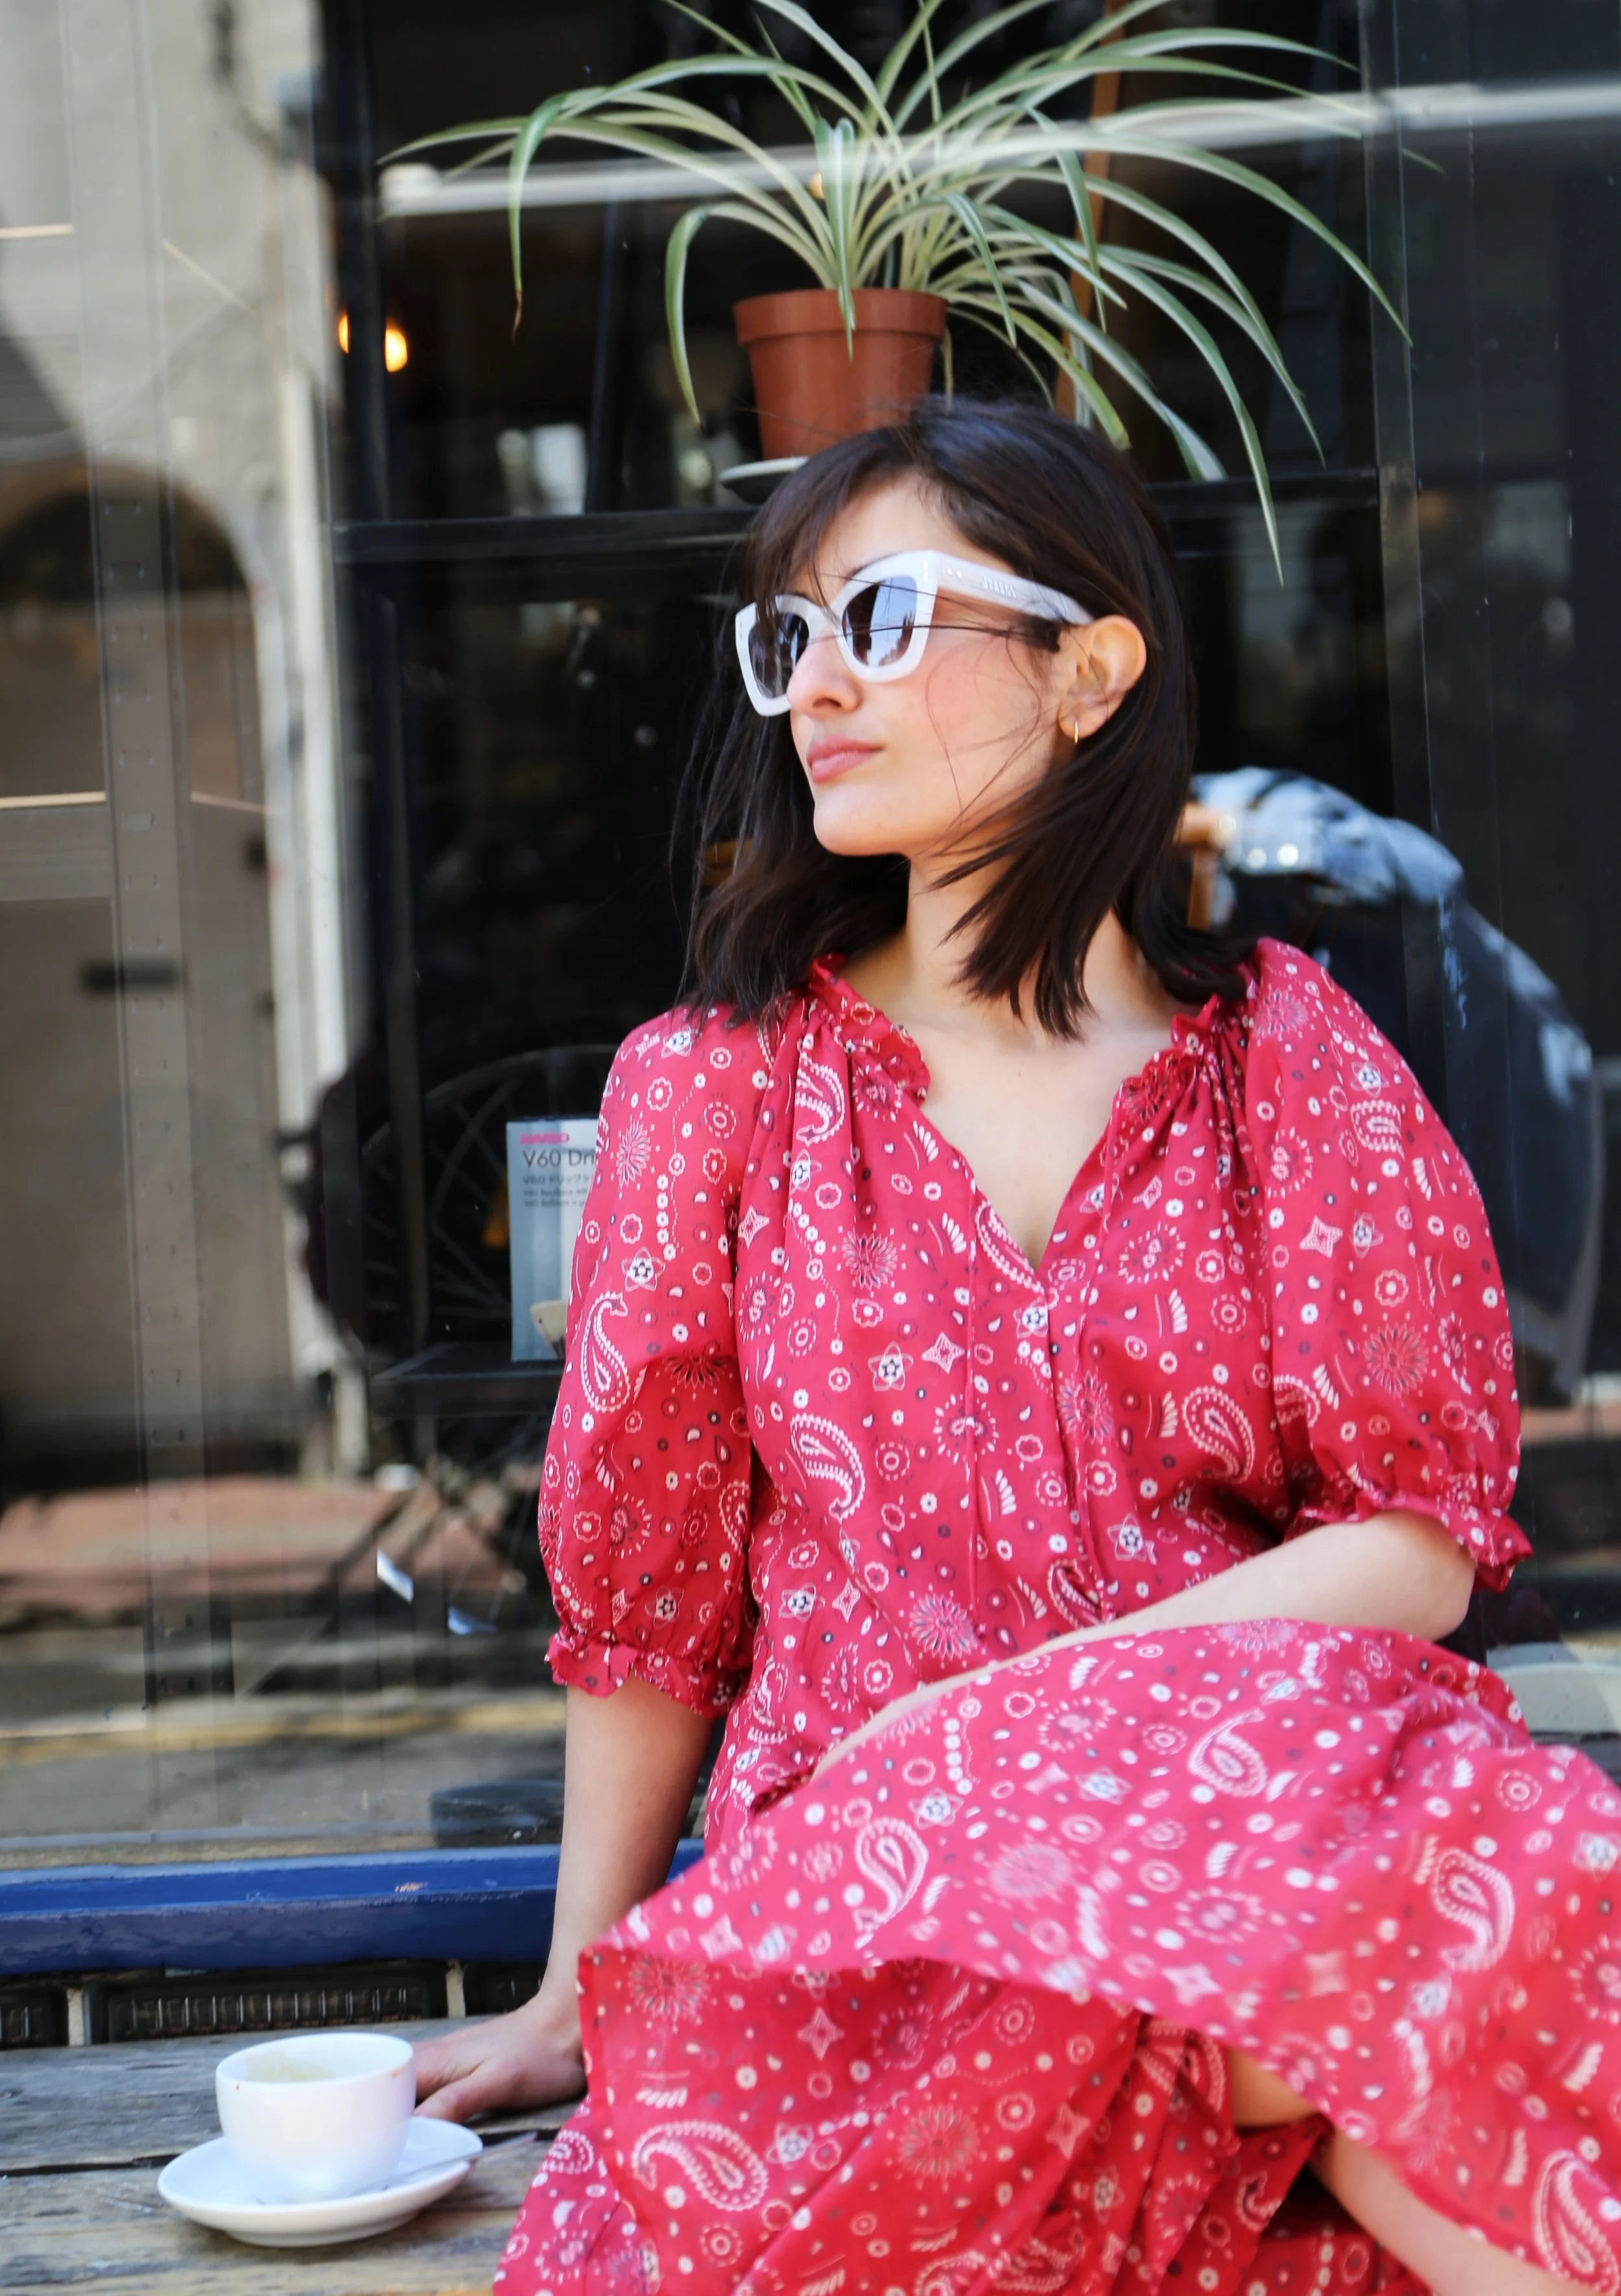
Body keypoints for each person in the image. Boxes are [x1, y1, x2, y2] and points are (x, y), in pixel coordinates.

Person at [415, 401, 1620, 2295]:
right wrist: (581, 1986)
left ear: (1088, 668)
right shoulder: (717, 1095)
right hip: (893, 1912)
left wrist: (1022, 1708)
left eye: (882, 617)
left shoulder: (1286, 1065)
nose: (816, 683)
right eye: (787, 636)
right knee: (1379, 1994)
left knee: (1443, 1880)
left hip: (1264, 1846)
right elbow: (645, 1610)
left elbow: (1411, 1539)